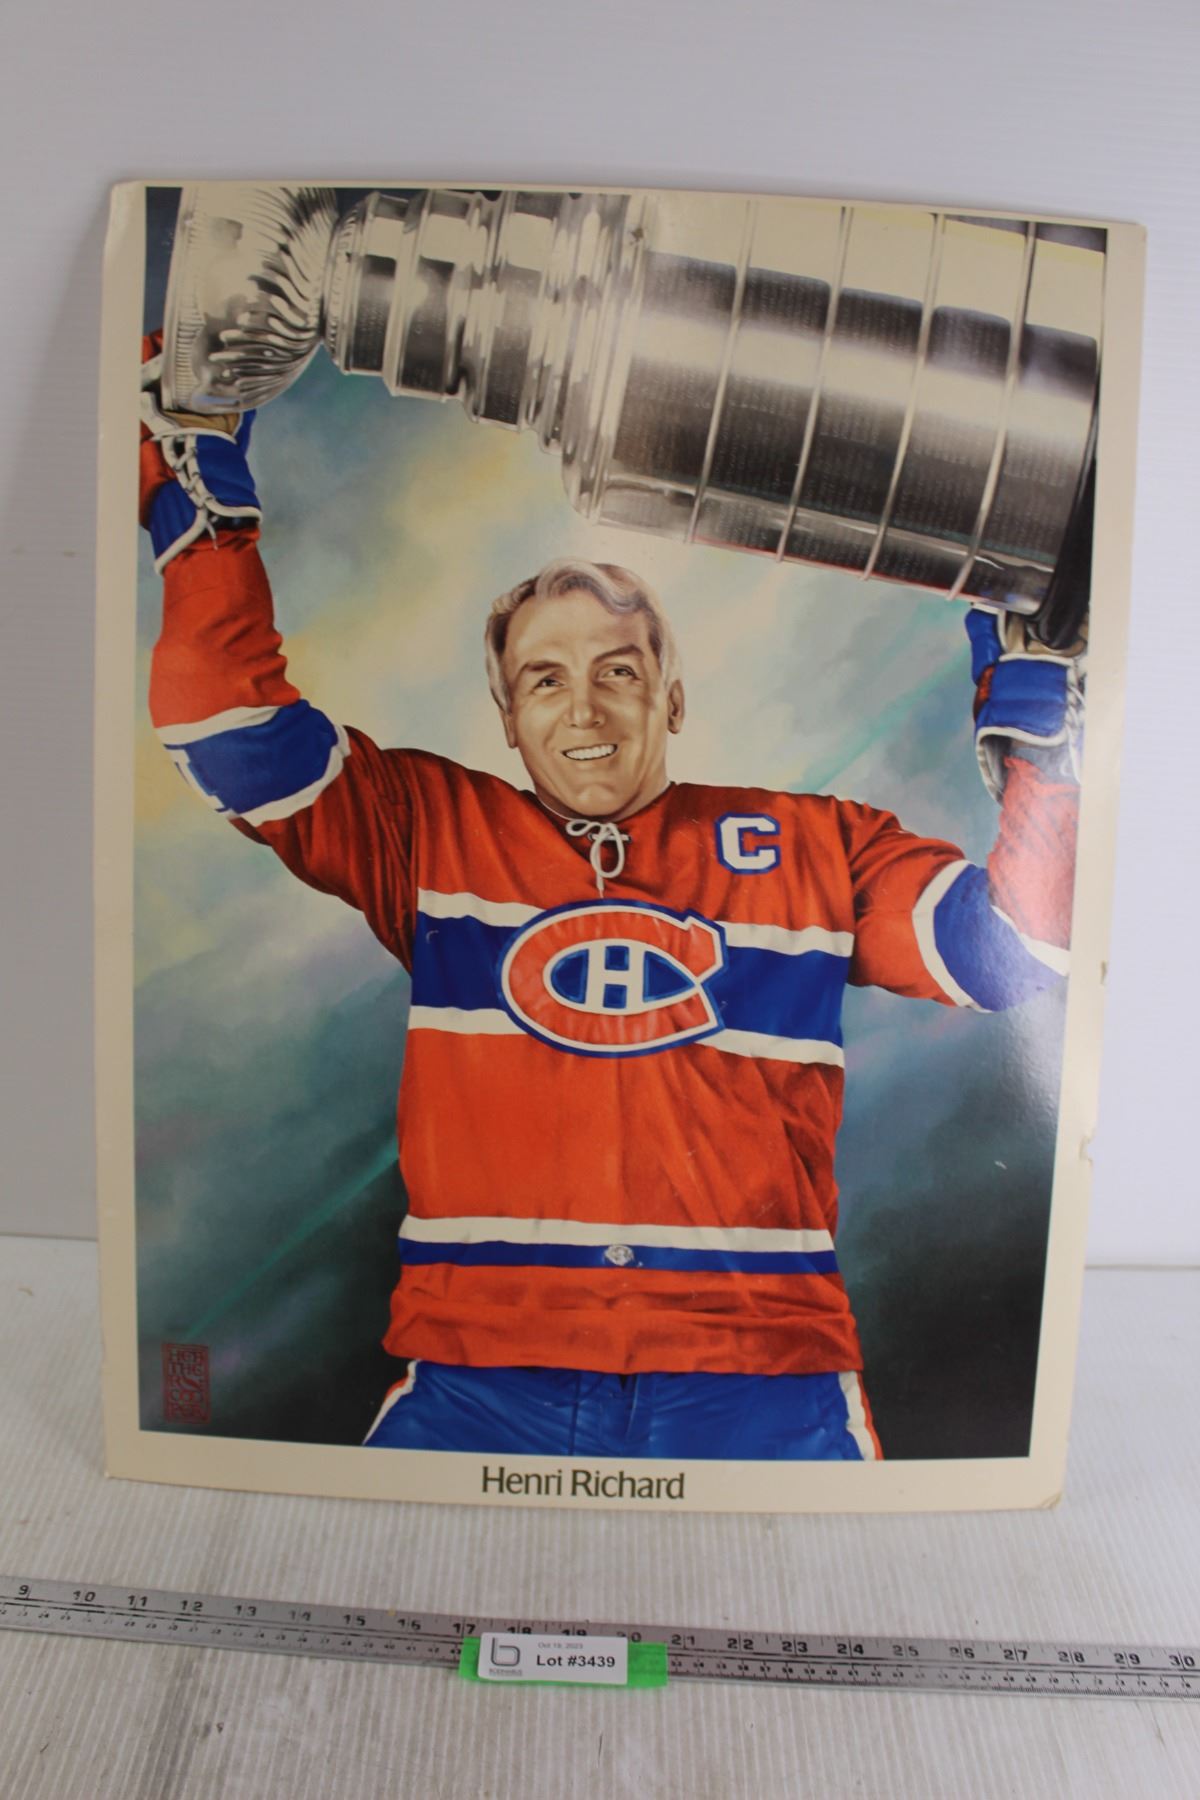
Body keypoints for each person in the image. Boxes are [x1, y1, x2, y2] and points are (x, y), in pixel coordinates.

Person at [138, 342, 1083, 1463]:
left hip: (765, 1390)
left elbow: (1014, 952)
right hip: (481, 1385)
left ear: (672, 697)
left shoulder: (817, 843)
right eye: (544, 679)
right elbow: (227, 729)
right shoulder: (429, 830)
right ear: (507, 715)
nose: (583, 708)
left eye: (618, 671)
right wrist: (201, 506)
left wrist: (1041, 728)